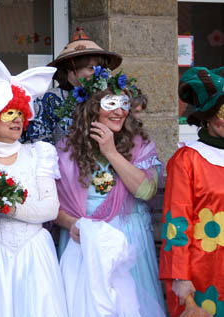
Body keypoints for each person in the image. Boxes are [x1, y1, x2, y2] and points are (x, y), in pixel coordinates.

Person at [0, 58, 68, 317]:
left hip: (35, 255)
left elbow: (50, 208)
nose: (17, 120)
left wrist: (5, 205)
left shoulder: (39, 153)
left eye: (20, 113)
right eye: (9, 113)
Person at [55, 67, 166, 316]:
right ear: (92, 107)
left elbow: (146, 191)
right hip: (83, 240)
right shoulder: (65, 148)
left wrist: (111, 152)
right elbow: (53, 205)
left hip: (128, 236)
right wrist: (71, 223)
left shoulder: (139, 144)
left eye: (124, 103)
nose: (119, 111)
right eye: (111, 103)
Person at [159, 66, 224, 317]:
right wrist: (180, 279)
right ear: (208, 116)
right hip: (202, 274)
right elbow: (176, 224)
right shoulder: (187, 159)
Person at [21, 27, 122, 144]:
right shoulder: (49, 99)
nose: (97, 74)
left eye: (100, 69)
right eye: (91, 68)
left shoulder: (105, 98)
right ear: (71, 68)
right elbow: (38, 141)